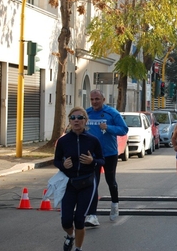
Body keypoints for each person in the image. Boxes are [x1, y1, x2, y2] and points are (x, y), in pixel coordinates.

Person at [54, 107, 105, 251]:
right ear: (69, 121)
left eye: (80, 118)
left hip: (87, 183)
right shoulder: (63, 141)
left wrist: (92, 161)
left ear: (85, 121)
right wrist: (63, 165)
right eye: (73, 118)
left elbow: (102, 160)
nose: (77, 120)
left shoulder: (93, 140)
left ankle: (78, 248)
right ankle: (70, 236)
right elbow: (56, 161)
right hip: (69, 184)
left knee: (80, 220)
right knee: (66, 221)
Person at [84, 89, 128, 226]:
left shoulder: (112, 113)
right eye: (92, 99)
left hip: (109, 153)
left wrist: (108, 128)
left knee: (110, 181)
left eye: (97, 99)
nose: (94, 102)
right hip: (93, 155)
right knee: (92, 183)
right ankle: (92, 215)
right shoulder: (87, 113)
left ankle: (115, 203)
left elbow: (124, 129)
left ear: (103, 99)